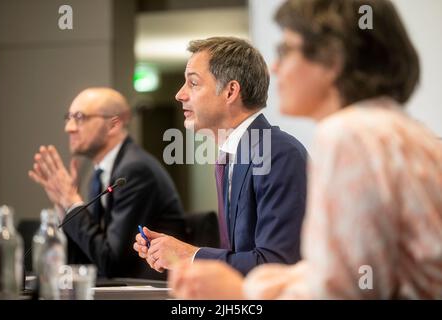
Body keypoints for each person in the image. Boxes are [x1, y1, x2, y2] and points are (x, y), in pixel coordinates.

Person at [167, 0, 442, 299]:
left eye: (286, 50)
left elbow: (344, 292)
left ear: (332, 61)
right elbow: (335, 272)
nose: (275, 67)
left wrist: (241, 291)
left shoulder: (349, 134)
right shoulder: (399, 131)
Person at [133, 37, 308, 275]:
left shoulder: (280, 154)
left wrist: (190, 256)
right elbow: (239, 256)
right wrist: (177, 254)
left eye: (193, 83)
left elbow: (275, 264)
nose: (179, 94)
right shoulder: (228, 157)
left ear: (230, 91)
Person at [29, 87, 185, 280]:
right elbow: (88, 258)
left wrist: (72, 201)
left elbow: (112, 264)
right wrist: (64, 206)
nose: (69, 127)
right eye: (68, 117)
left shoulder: (134, 171)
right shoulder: (100, 175)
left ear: (113, 124)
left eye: (79, 117)